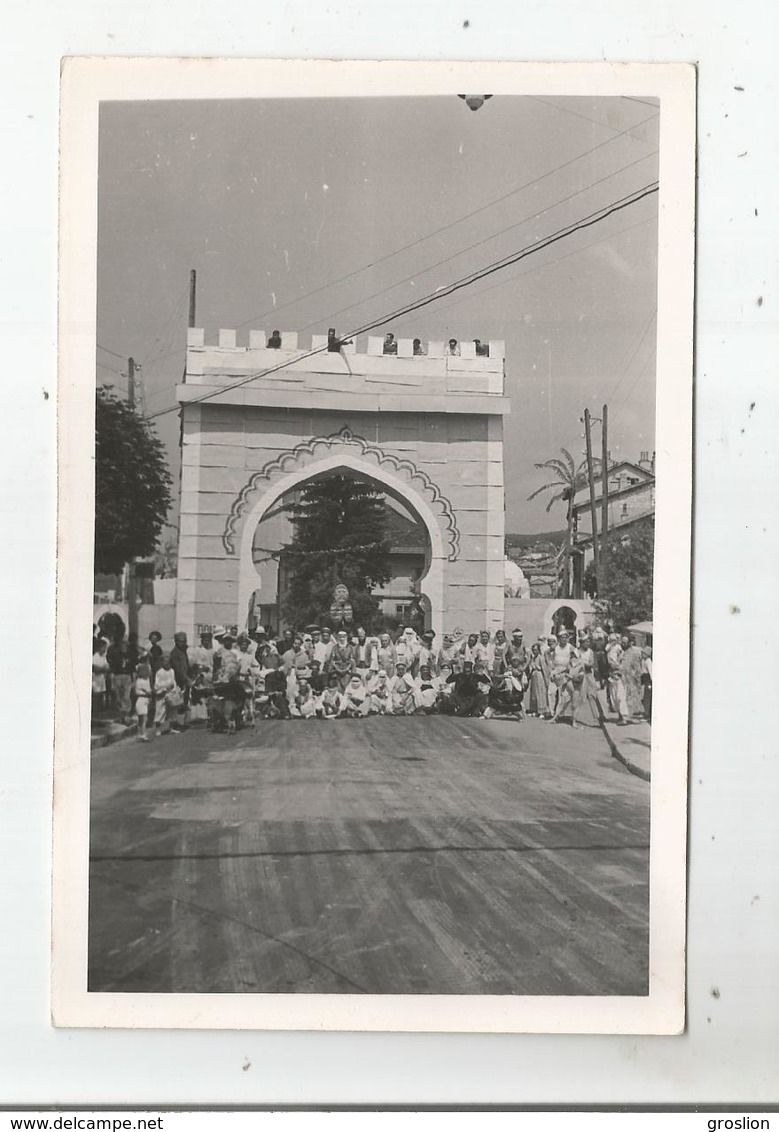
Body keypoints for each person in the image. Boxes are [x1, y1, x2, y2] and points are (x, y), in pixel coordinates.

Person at [106, 637, 135, 724]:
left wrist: (134, 680)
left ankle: (126, 716)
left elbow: (133, 668)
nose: (124, 646)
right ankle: (121, 716)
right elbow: (111, 665)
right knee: (118, 697)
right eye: (122, 644)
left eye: (125, 644)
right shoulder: (116, 654)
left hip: (127, 676)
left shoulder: (130, 655)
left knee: (126, 696)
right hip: (117, 676)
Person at [606, 633, 630, 724]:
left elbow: (622, 664)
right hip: (612, 675)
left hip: (619, 675)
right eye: (611, 640)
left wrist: (617, 667)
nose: (613, 642)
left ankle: (624, 717)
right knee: (614, 697)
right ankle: (620, 716)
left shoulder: (620, 651)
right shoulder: (609, 649)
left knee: (620, 696)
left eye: (614, 640)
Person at [153, 654, 179, 737]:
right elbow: (157, 684)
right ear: (162, 663)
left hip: (170, 693)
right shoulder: (159, 672)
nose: (167, 664)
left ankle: (171, 728)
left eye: (168, 662)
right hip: (162, 693)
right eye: (165, 662)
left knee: (172, 711)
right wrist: (164, 688)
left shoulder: (172, 671)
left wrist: (174, 690)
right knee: (160, 711)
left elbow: (173, 681)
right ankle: (157, 729)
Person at [621, 633, 645, 717]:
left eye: (624, 642)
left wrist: (637, 681)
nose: (622, 644)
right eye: (622, 642)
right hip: (624, 679)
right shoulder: (623, 653)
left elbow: (638, 669)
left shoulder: (634, 653)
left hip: (631, 680)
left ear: (630, 643)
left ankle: (631, 715)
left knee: (632, 698)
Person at [526, 641, 548, 717]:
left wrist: (546, 681)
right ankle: (534, 710)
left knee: (540, 693)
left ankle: (542, 711)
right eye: (533, 650)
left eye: (536, 650)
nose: (534, 651)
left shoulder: (541, 658)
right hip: (534, 675)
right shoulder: (533, 658)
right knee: (534, 693)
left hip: (539, 676)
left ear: (539, 650)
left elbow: (544, 669)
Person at [133, 659, 153, 741]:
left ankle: (140, 734)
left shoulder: (146, 680)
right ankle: (143, 734)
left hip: (145, 701)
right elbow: (147, 692)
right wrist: (150, 693)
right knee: (143, 719)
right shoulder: (139, 681)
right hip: (141, 700)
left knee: (142, 719)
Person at [91, 639, 110, 714]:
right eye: (104, 647)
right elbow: (94, 668)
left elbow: (107, 667)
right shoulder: (95, 657)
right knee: (96, 696)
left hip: (102, 678)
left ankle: (100, 712)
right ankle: (95, 713)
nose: (105, 649)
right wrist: (102, 669)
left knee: (101, 695)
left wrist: (104, 669)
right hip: (95, 679)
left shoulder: (103, 657)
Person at [641, 646, 653, 723]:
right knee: (645, 697)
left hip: (648, 680)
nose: (642, 654)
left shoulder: (648, 661)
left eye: (643, 653)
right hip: (645, 679)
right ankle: (646, 713)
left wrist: (652, 681)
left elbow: (651, 672)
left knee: (647, 697)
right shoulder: (644, 660)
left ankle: (648, 714)